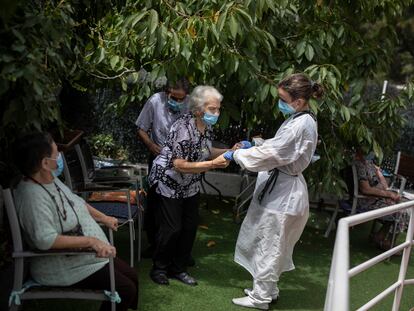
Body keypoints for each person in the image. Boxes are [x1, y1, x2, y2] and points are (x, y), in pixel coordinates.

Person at [215, 73, 323, 310]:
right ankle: (267, 290)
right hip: (282, 189)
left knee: (271, 244)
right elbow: (277, 146)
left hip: (284, 195)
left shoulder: (302, 122)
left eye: (284, 99)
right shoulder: (299, 118)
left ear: (298, 101)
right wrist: (255, 144)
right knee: (271, 242)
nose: (280, 103)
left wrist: (238, 155)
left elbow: (274, 155)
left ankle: (260, 298)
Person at [13, 132, 138, 311]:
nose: (60, 156)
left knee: (131, 276)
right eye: (56, 154)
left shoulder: (50, 179)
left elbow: (78, 202)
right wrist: (91, 241)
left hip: (81, 256)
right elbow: (44, 239)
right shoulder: (32, 196)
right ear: (45, 164)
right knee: (126, 288)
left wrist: (104, 218)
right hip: (62, 266)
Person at [148, 85, 245, 286]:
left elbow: (206, 151)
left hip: (190, 184)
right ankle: (159, 268)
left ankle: (178, 269)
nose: (216, 114)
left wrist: (230, 150)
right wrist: (212, 165)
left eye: (218, 109)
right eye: (212, 109)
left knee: (189, 227)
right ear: (199, 109)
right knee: (172, 228)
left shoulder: (205, 127)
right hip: (169, 181)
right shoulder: (183, 128)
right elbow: (179, 165)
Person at [135, 77, 190, 258]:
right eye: (174, 98)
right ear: (167, 93)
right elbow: (141, 128)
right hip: (158, 158)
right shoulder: (155, 101)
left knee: (181, 205)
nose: (178, 102)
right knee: (155, 204)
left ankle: (179, 249)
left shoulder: (192, 104)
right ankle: (154, 244)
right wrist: (151, 145)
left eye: (182, 99)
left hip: (183, 163)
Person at [354, 149, 402, 250]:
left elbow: (381, 179)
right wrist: (388, 195)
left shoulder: (369, 163)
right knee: (399, 211)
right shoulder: (359, 165)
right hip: (367, 201)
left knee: (398, 206)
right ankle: (386, 242)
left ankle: (380, 237)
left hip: (377, 199)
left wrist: (388, 193)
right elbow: (365, 189)